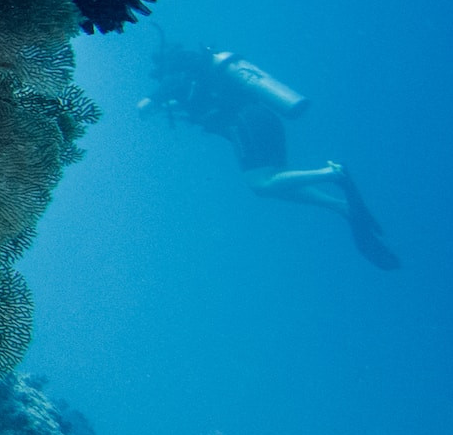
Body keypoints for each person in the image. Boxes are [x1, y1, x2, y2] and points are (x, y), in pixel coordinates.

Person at [140, 40, 399, 270]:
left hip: (244, 123)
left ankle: (333, 173)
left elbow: (145, 104)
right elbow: (198, 104)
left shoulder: (174, 78)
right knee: (278, 180)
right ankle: (341, 207)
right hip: (264, 118)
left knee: (261, 185)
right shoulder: (198, 77)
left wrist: (147, 105)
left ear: (164, 65)